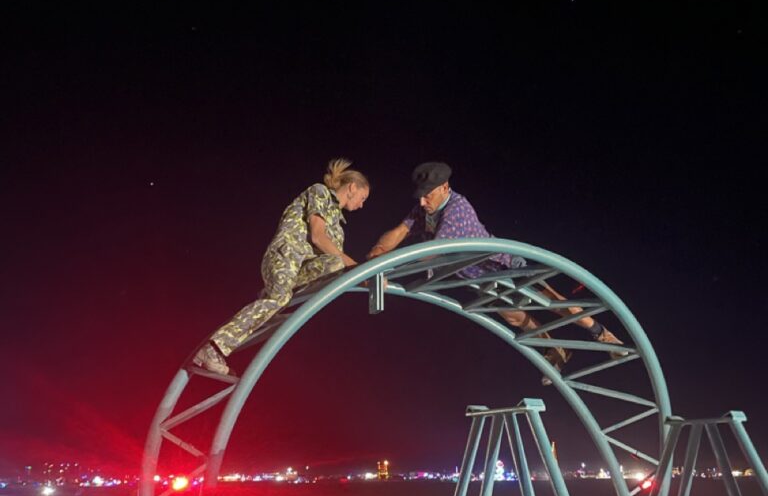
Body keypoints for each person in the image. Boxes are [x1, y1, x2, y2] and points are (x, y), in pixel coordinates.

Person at [366, 162, 627, 381]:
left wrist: (389, 267)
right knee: (514, 317)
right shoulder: (424, 209)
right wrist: (378, 251)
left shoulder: (457, 209)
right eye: (420, 196)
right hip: (480, 278)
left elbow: (431, 253)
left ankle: (603, 334)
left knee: (551, 303)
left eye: (428, 195)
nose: (423, 202)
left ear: (445, 187)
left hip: (503, 267)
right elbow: (400, 231)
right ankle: (556, 350)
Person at [194, 159, 369, 374]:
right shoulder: (320, 192)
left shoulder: (339, 228)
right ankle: (213, 348)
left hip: (300, 270)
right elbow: (318, 236)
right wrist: (356, 267)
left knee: (336, 263)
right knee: (281, 297)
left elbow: (333, 259)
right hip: (285, 257)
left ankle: (275, 297)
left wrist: (359, 274)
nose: (362, 205)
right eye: (363, 198)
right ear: (352, 187)